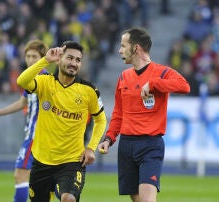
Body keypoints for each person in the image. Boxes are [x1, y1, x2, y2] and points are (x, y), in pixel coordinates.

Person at [97, 27, 190, 202]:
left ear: (136, 48)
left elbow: (184, 86)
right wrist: (109, 139)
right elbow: (118, 113)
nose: (119, 50)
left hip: (150, 145)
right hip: (126, 146)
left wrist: (153, 83)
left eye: (123, 45)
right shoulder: (124, 77)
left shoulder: (162, 72)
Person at [17, 41, 107, 202]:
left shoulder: (89, 91)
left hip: (71, 162)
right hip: (41, 160)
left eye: (78, 60)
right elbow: (22, 81)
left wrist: (91, 148)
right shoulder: (45, 82)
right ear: (59, 59)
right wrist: (45, 60)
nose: (74, 63)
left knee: (68, 199)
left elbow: (101, 120)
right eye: (70, 58)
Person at [0, 40, 48, 202]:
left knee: (20, 175)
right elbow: (22, 103)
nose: (30, 60)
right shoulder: (31, 79)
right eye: (28, 56)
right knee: (36, 182)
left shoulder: (44, 79)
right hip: (35, 137)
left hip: (36, 137)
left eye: (34, 56)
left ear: (43, 58)